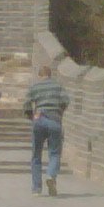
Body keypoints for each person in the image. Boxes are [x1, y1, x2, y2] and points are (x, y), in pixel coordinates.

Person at [23, 64, 70, 197]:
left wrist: (31, 116)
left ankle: (36, 189)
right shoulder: (58, 86)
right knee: (54, 153)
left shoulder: (35, 87)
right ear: (50, 74)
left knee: (36, 155)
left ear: (40, 75)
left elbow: (26, 103)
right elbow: (66, 100)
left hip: (39, 119)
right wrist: (59, 112)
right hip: (54, 120)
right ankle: (50, 175)